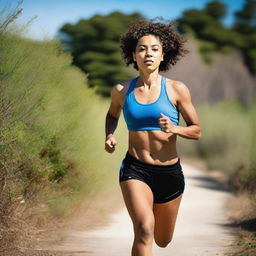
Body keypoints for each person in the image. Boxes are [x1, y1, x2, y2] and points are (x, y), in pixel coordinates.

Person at [104, 18, 201, 256]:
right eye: (142, 48)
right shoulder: (121, 90)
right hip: (135, 169)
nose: (148, 53)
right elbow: (112, 115)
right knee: (144, 230)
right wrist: (109, 134)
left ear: (162, 55)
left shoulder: (177, 89)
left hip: (169, 173)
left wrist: (175, 129)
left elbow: (197, 130)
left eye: (154, 49)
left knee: (162, 240)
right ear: (133, 54)